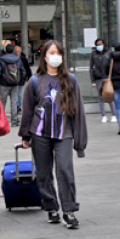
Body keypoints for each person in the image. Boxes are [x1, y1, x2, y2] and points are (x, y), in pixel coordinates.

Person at [19, 40, 88, 228]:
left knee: (65, 169)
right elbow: (27, 111)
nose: (55, 56)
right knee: (43, 173)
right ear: (45, 56)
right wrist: (25, 136)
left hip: (64, 132)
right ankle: (51, 207)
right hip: (39, 133)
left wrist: (80, 143)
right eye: (51, 52)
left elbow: (78, 111)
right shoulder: (34, 82)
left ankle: (69, 210)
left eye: (58, 52)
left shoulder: (71, 80)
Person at [0, 42, 30, 125]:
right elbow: (23, 71)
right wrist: (20, 80)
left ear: (5, 50)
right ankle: (14, 120)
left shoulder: (2, 59)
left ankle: (1, 120)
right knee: (14, 101)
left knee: (3, 101)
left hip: (4, 83)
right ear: (13, 51)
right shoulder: (18, 59)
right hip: (15, 84)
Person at [89, 39, 116, 123]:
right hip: (98, 78)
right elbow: (91, 67)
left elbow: (112, 65)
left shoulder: (109, 53)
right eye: (97, 45)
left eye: (100, 44)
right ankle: (103, 115)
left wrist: (112, 77)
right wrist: (92, 80)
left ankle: (114, 114)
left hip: (107, 77)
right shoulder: (93, 54)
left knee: (109, 96)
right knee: (100, 97)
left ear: (104, 44)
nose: (99, 46)